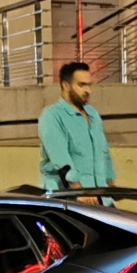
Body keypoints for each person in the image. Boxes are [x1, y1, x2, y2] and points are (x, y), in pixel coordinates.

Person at [38, 62, 115, 204]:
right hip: (68, 200)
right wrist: (78, 190)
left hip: (101, 197)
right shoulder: (52, 116)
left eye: (89, 85)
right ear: (66, 85)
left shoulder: (93, 114)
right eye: (82, 85)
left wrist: (111, 182)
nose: (88, 90)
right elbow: (60, 160)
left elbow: (104, 151)